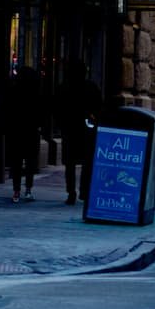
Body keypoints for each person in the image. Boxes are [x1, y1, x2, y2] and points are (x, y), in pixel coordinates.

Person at [56, 58, 101, 206]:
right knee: (87, 163)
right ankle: (84, 191)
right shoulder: (91, 87)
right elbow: (98, 107)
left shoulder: (64, 87)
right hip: (86, 131)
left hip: (69, 130)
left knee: (70, 164)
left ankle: (71, 192)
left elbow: (59, 108)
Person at [3, 66, 43, 203]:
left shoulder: (13, 91)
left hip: (16, 132)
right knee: (30, 163)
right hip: (30, 131)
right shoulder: (35, 94)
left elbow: (8, 111)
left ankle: (16, 191)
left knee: (16, 163)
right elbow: (40, 114)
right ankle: (28, 190)